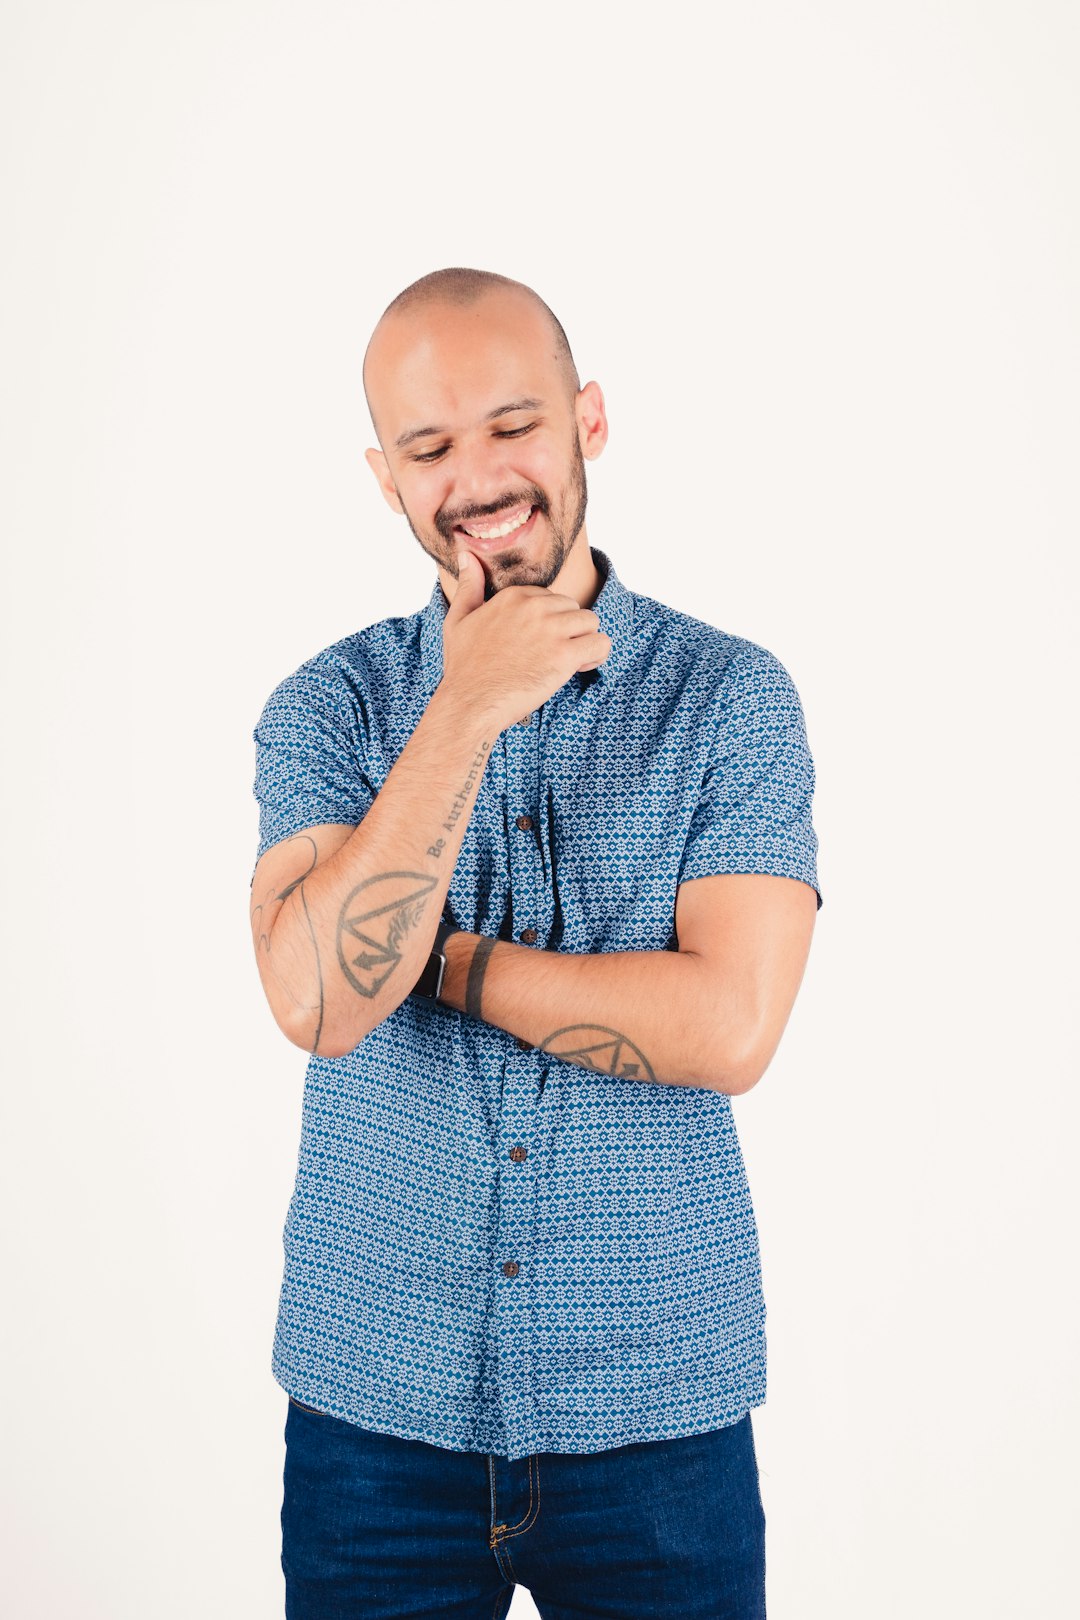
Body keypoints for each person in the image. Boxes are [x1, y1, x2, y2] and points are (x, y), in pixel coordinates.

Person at [249, 266, 823, 1620]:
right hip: (372, 1416)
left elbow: (728, 1026)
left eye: (512, 426)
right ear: (386, 478)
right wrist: (468, 708)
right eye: (432, 448)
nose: (478, 476)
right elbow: (323, 1001)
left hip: (656, 1414)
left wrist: (443, 966)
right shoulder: (325, 709)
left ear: (589, 421)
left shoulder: (730, 699)